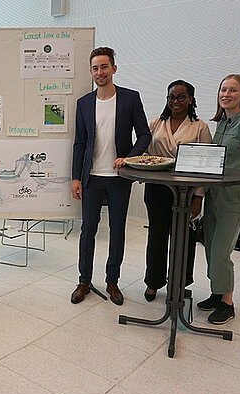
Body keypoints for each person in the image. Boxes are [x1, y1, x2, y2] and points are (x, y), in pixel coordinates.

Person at [70, 47, 151, 306]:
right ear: (91, 72)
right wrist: (75, 177)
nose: (99, 72)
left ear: (113, 69)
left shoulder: (130, 98)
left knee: (117, 230)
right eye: (95, 68)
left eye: (104, 67)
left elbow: (145, 135)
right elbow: (80, 143)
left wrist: (129, 158)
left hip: (119, 178)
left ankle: (112, 280)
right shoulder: (84, 103)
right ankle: (84, 280)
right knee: (87, 231)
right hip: (91, 178)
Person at [198, 74, 240, 324]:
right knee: (210, 248)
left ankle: (228, 304)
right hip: (215, 195)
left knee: (220, 252)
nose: (226, 94)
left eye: (232, 90)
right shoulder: (223, 123)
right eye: (222, 90)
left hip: (236, 197)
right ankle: (217, 294)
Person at [143, 80, 212, 302]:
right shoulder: (156, 124)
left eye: (181, 97)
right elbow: (144, 152)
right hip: (157, 190)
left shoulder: (200, 127)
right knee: (157, 237)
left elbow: (206, 167)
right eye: (171, 97)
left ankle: (179, 283)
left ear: (190, 99)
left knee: (184, 239)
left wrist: (199, 197)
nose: (175, 102)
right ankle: (153, 282)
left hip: (187, 192)